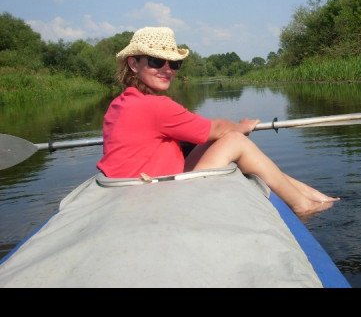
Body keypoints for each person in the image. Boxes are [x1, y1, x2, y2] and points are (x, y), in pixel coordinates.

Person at [97, 27, 340, 219]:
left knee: (218, 141)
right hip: (153, 194)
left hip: (138, 185)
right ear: (133, 63)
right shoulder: (155, 106)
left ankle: (312, 194)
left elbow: (204, 132)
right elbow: (217, 129)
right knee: (234, 140)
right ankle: (303, 205)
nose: (168, 69)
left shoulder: (121, 104)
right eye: (157, 62)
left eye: (174, 63)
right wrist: (242, 126)